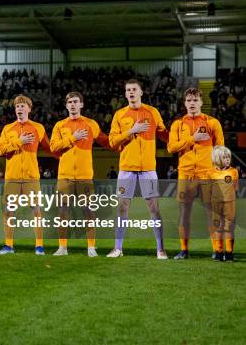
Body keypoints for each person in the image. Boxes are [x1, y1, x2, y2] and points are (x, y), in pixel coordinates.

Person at [107, 79, 169, 259]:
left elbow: (164, 134)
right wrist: (131, 131)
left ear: (141, 92)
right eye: (128, 90)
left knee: (154, 208)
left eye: (134, 89)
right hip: (126, 168)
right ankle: (118, 248)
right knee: (122, 207)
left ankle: (161, 249)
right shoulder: (120, 114)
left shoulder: (152, 112)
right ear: (125, 94)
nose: (131, 92)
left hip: (148, 169)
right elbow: (112, 141)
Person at [50, 91, 110, 257]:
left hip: (84, 176)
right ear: (66, 105)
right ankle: (62, 248)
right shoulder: (59, 125)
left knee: (89, 212)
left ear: (81, 104)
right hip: (65, 176)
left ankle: (91, 247)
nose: (73, 105)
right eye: (70, 102)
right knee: (63, 212)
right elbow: (53, 147)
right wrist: (72, 138)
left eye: (76, 102)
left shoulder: (91, 124)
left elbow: (105, 141)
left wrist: (123, 141)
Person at [167, 88, 224, 259]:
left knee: (212, 212)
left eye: (195, 100)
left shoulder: (212, 123)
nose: (192, 103)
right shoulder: (178, 124)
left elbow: (220, 149)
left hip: (208, 173)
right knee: (184, 213)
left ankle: (218, 250)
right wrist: (193, 139)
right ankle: (184, 250)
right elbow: (171, 148)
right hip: (185, 173)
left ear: (201, 102)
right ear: (184, 103)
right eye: (189, 100)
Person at [0, 94, 55, 255]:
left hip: (31, 177)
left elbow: (49, 148)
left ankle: (39, 246)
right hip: (12, 177)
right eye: (17, 106)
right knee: (9, 211)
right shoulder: (8, 129)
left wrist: (63, 156)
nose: (20, 109)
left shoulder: (38, 128)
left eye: (23, 106)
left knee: (36, 210)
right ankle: (8, 245)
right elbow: (0, 150)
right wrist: (18, 142)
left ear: (29, 109)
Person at [208, 146, 238, 262]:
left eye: (228, 157)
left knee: (229, 228)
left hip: (229, 204)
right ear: (217, 159)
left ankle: (229, 253)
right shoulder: (210, 173)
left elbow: (235, 188)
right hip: (215, 204)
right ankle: (219, 252)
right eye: (224, 157)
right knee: (218, 228)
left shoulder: (233, 171)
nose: (227, 159)